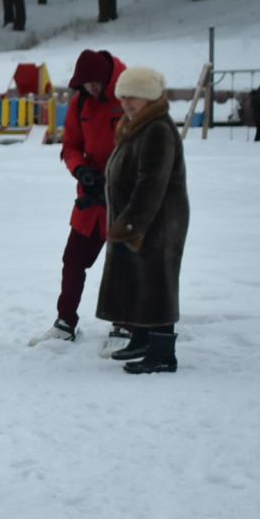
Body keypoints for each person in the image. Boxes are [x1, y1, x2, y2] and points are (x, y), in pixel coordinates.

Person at [31, 49, 132, 350]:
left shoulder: (127, 99)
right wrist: (81, 171)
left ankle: (123, 325)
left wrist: (115, 178)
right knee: (73, 259)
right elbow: (71, 145)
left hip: (124, 198)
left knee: (123, 264)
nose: (90, 89)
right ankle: (65, 323)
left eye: (94, 83)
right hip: (90, 200)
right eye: (84, 85)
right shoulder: (79, 105)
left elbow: (140, 146)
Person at [95, 65, 190, 375]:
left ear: (149, 97)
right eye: (123, 97)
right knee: (137, 280)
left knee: (157, 282)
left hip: (158, 221)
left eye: (133, 97)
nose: (126, 103)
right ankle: (141, 338)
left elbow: (153, 182)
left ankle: (163, 353)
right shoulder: (138, 125)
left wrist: (132, 222)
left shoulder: (158, 129)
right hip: (138, 218)